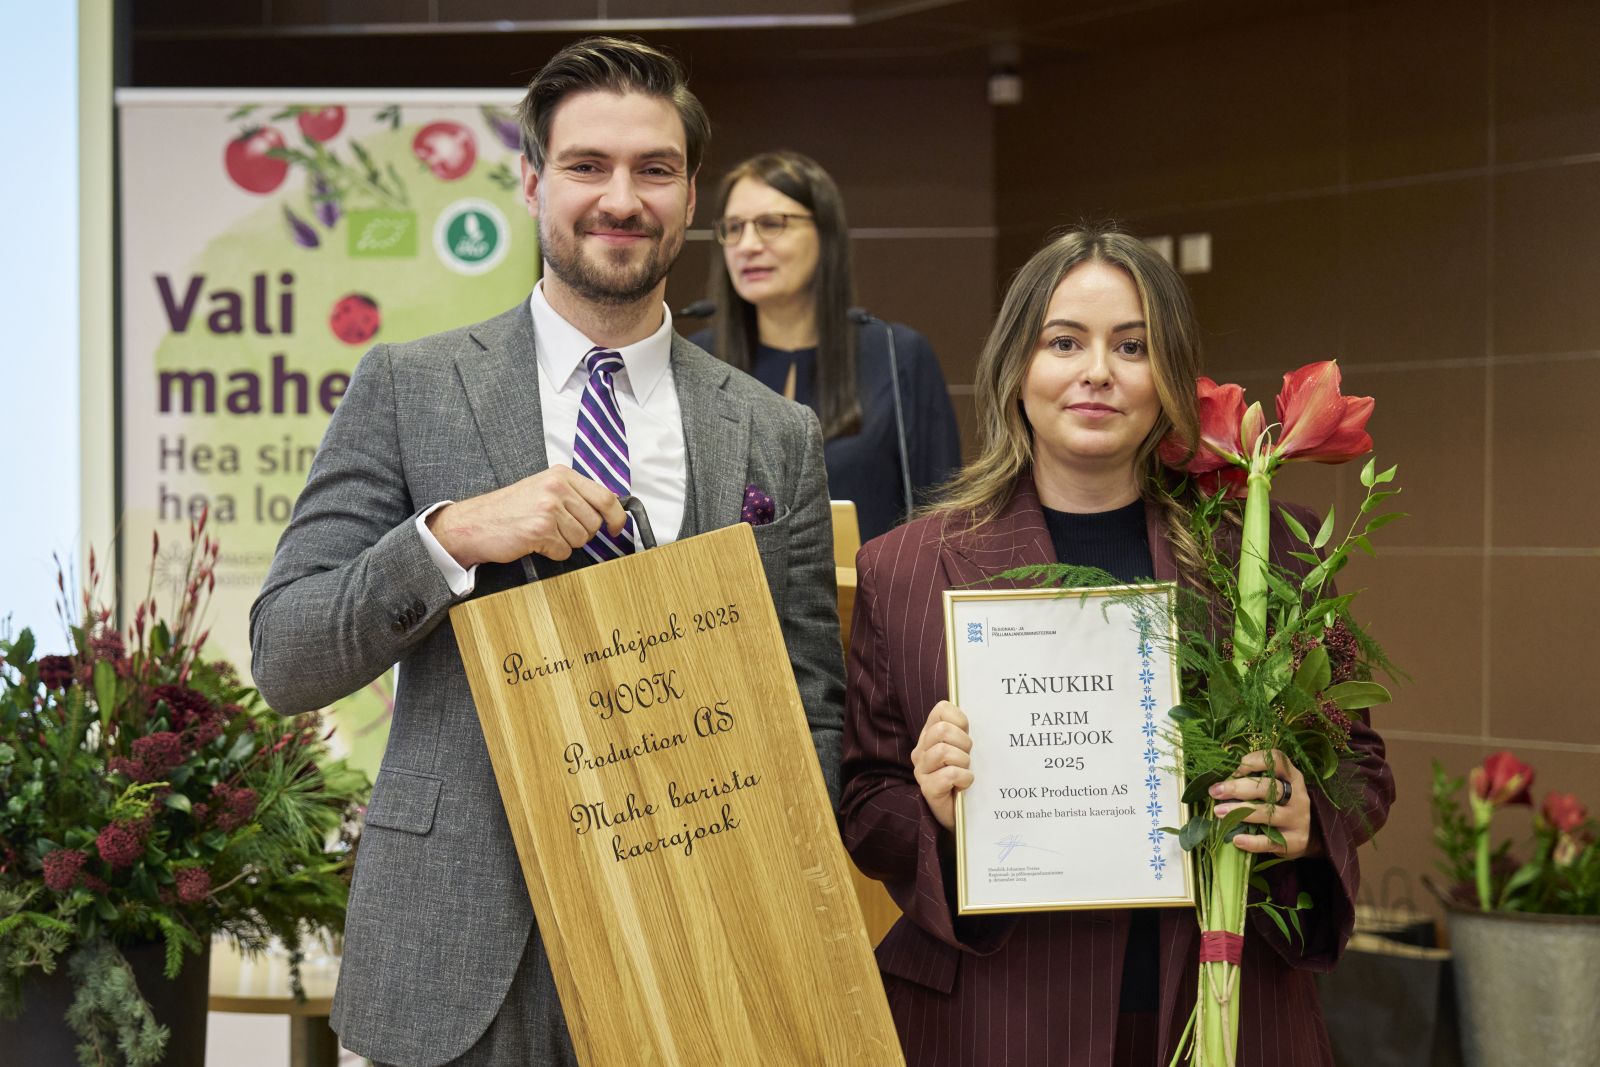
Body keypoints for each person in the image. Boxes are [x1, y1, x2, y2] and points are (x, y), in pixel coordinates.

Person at [249, 37, 844, 1067]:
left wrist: (773, 902)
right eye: (587, 165)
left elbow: (810, 703)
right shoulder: (411, 387)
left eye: (654, 169)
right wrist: (449, 538)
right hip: (462, 951)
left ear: (690, 194)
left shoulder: (772, 432)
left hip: (701, 962)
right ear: (531, 182)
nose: (622, 198)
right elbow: (286, 655)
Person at [838, 226, 1394, 1066]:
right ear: (1015, 367)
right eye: (1064, 342)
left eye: (1132, 346)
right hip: (998, 1020)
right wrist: (936, 809)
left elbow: (1362, 767)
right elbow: (864, 800)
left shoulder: (1273, 551)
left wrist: (1307, 816)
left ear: (1169, 377)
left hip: (1223, 1010)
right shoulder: (906, 570)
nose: (1098, 370)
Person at [689, 150, 961, 542]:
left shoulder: (896, 354)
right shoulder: (697, 361)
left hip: (868, 582)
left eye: (771, 224)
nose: (746, 245)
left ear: (825, 234)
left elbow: (944, 517)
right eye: (733, 228)